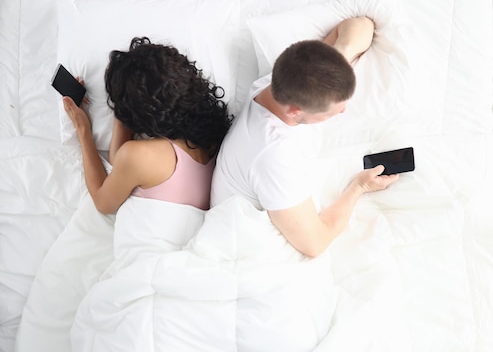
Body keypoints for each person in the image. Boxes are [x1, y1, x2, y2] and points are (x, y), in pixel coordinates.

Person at [211, 17, 398, 257]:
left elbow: (361, 24)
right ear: (294, 112)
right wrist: (359, 187)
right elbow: (315, 244)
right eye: (332, 112)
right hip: (241, 242)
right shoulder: (273, 156)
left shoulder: (282, 80)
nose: (343, 111)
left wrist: (341, 55)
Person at [63, 36, 232, 214]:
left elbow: (103, 203)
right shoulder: (214, 132)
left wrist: (83, 130)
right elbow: (121, 166)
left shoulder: (138, 156)